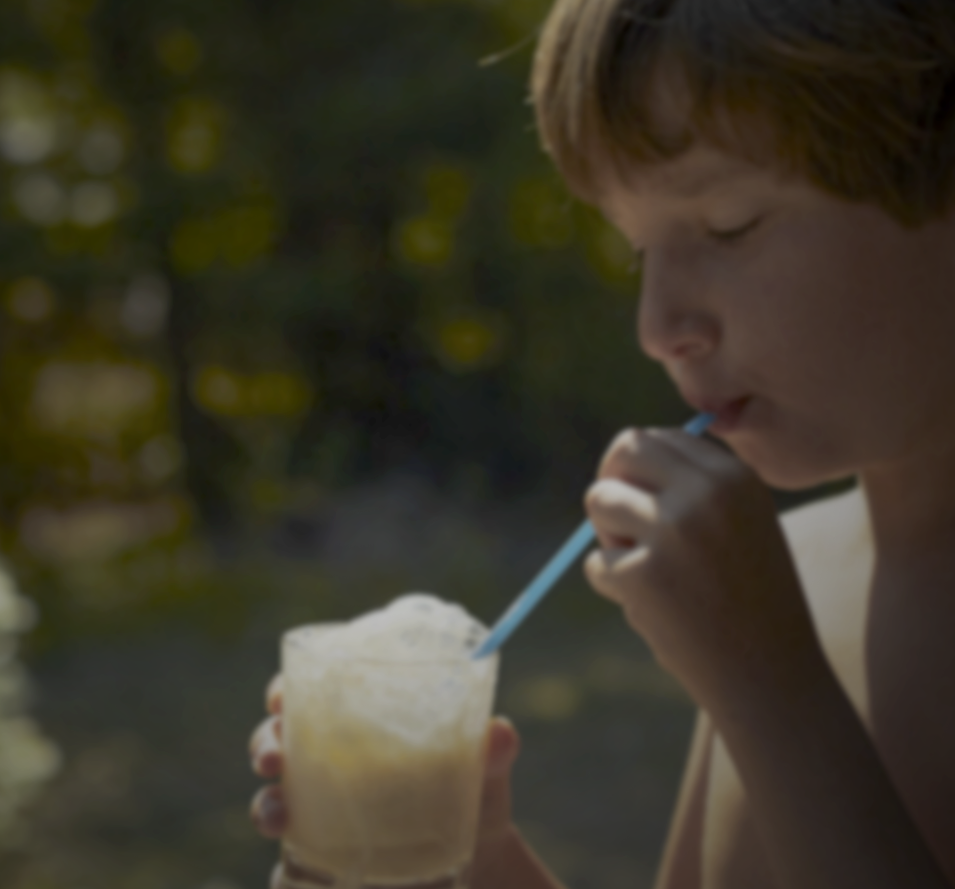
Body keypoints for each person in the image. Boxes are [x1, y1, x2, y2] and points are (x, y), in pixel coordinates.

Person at [249, 0, 955, 885]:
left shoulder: (768, 645)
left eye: (730, 223)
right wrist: (466, 857)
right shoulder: (786, 585)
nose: (658, 326)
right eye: (636, 252)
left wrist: (773, 696)